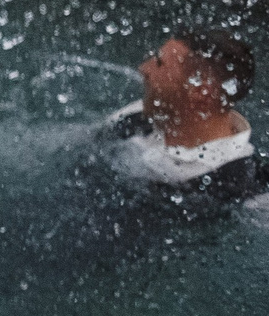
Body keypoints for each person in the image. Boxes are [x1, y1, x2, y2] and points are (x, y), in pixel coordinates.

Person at [95, 30, 259, 205]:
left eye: (159, 63)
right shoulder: (134, 116)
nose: (144, 68)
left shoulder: (246, 189)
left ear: (200, 91)